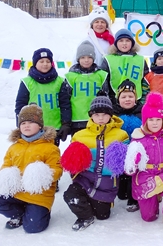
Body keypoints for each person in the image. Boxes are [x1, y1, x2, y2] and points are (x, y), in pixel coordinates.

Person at [0, 104, 62, 233]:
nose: (26, 125)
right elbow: (6, 165)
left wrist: (42, 175)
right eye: (23, 122)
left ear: (40, 125)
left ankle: (38, 213)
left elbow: (57, 170)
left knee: (32, 228)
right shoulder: (14, 147)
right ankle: (19, 214)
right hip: (17, 192)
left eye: (31, 122)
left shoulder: (50, 148)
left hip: (38, 196)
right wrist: (7, 175)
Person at [62, 92, 129, 231]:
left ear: (110, 115)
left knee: (103, 215)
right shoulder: (80, 136)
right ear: (91, 115)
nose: (100, 118)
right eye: (97, 114)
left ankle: (96, 202)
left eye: (104, 114)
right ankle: (85, 216)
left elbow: (127, 163)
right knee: (71, 195)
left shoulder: (120, 135)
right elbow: (70, 162)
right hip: (85, 179)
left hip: (107, 183)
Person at [124, 92, 163, 233]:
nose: (155, 123)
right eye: (151, 119)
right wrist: (134, 162)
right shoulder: (137, 139)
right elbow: (129, 170)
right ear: (145, 121)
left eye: (158, 119)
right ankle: (153, 196)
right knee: (149, 217)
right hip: (146, 179)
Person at [15, 48, 70, 146]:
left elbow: (65, 104)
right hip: (33, 129)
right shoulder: (27, 82)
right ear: (35, 63)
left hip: (54, 129)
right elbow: (20, 105)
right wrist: (20, 125)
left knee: (51, 156)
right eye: (41, 61)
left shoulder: (60, 81)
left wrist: (66, 124)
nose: (45, 64)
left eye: (48, 61)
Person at [60, 41, 109, 139]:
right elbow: (65, 101)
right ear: (78, 59)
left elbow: (107, 96)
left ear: (94, 58)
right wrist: (66, 122)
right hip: (77, 121)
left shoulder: (101, 75)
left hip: (97, 119)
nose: (86, 60)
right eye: (83, 57)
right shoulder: (71, 77)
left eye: (89, 57)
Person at [113, 79, 142, 212]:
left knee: (134, 174)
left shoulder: (142, 112)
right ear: (118, 99)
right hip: (120, 150)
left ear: (136, 98)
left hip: (136, 151)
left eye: (131, 96)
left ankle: (134, 197)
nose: (127, 99)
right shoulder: (113, 114)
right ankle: (122, 189)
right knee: (121, 186)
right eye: (123, 96)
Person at [100, 28, 150, 104]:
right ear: (116, 43)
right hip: (114, 100)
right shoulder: (108, 59)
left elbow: (145, 81)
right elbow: (104, 81)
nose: (124, 43)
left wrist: (143, 100)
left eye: (127, 41)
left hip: (137, 101)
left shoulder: (140, 59)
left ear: (132, 43)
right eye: (121, 41)